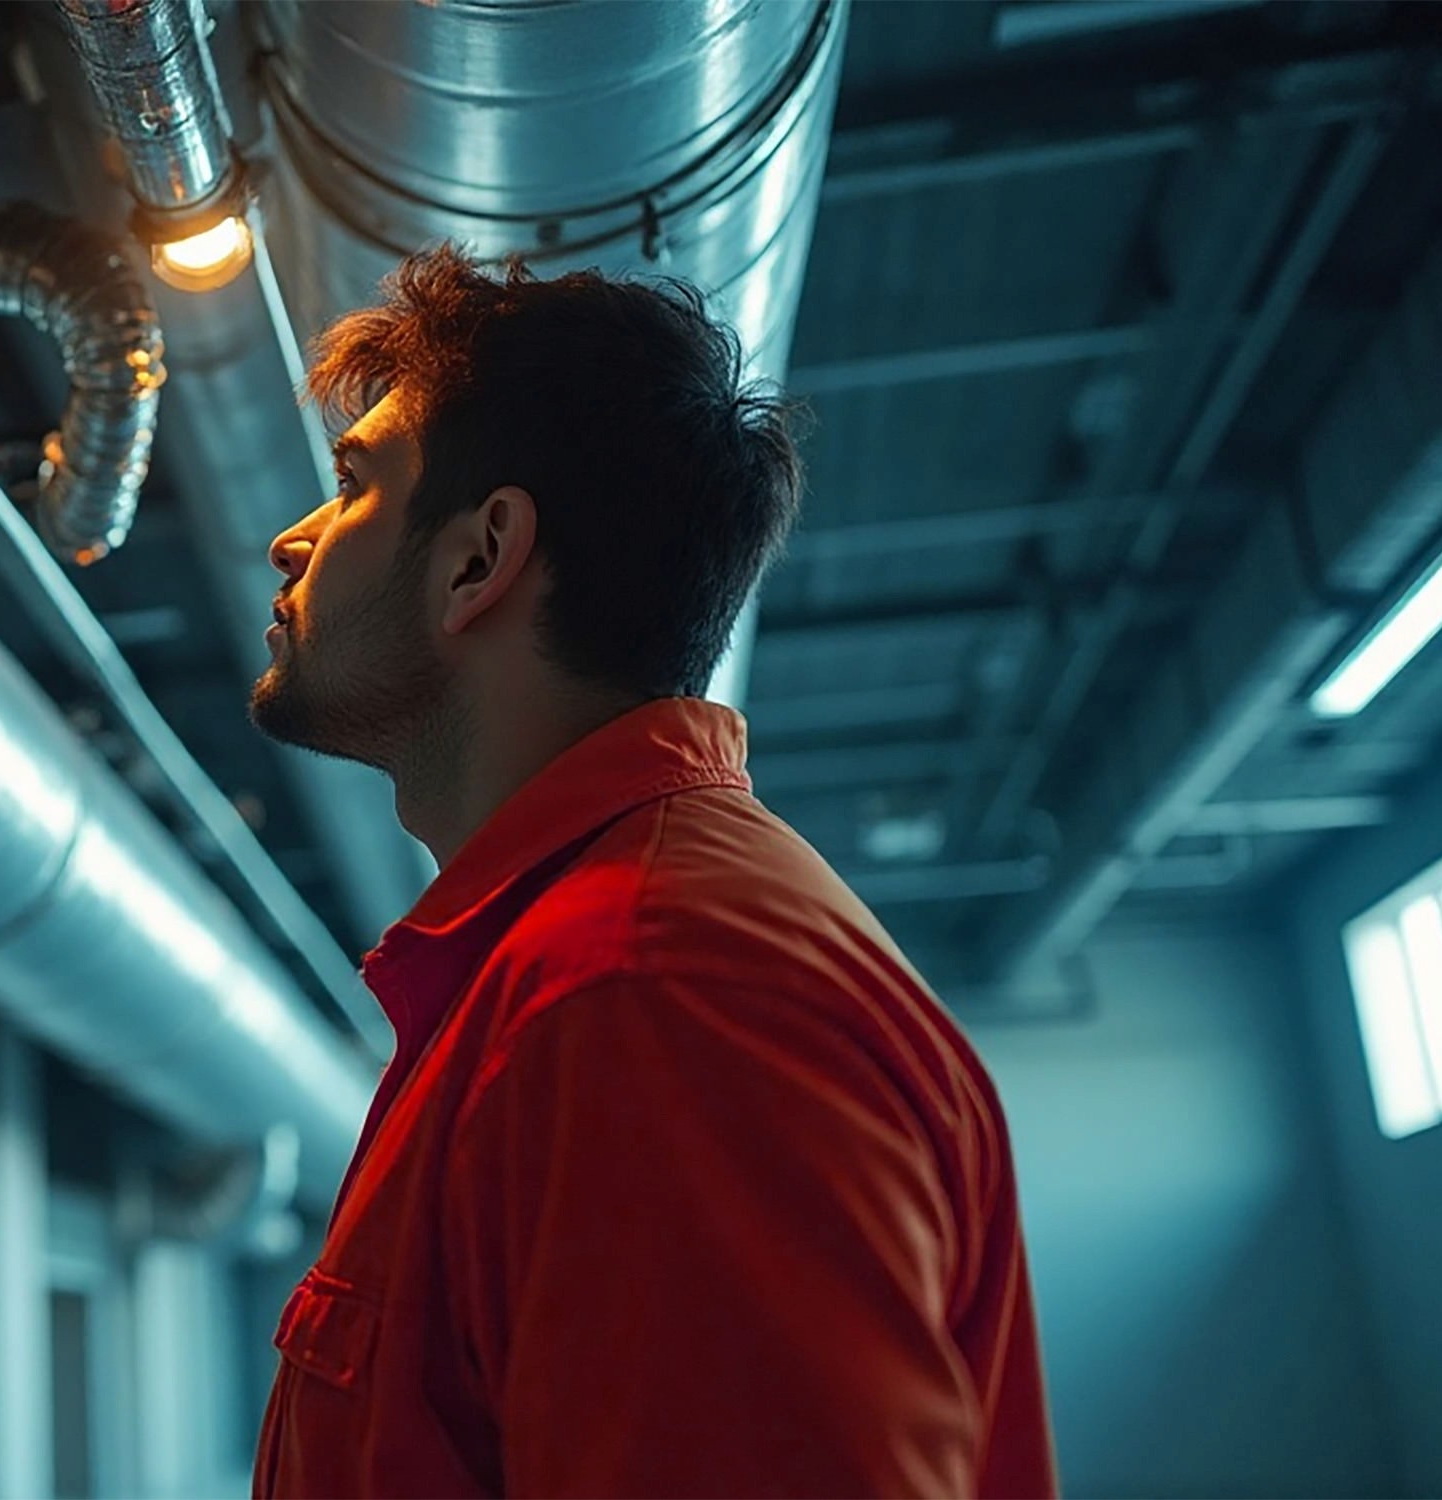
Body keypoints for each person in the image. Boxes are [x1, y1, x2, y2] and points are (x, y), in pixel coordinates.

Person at [246, 246, 1058, 1499]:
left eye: (352, 485)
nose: (289, 541)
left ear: (479, 560)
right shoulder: (588, 965)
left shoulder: (646, 992)